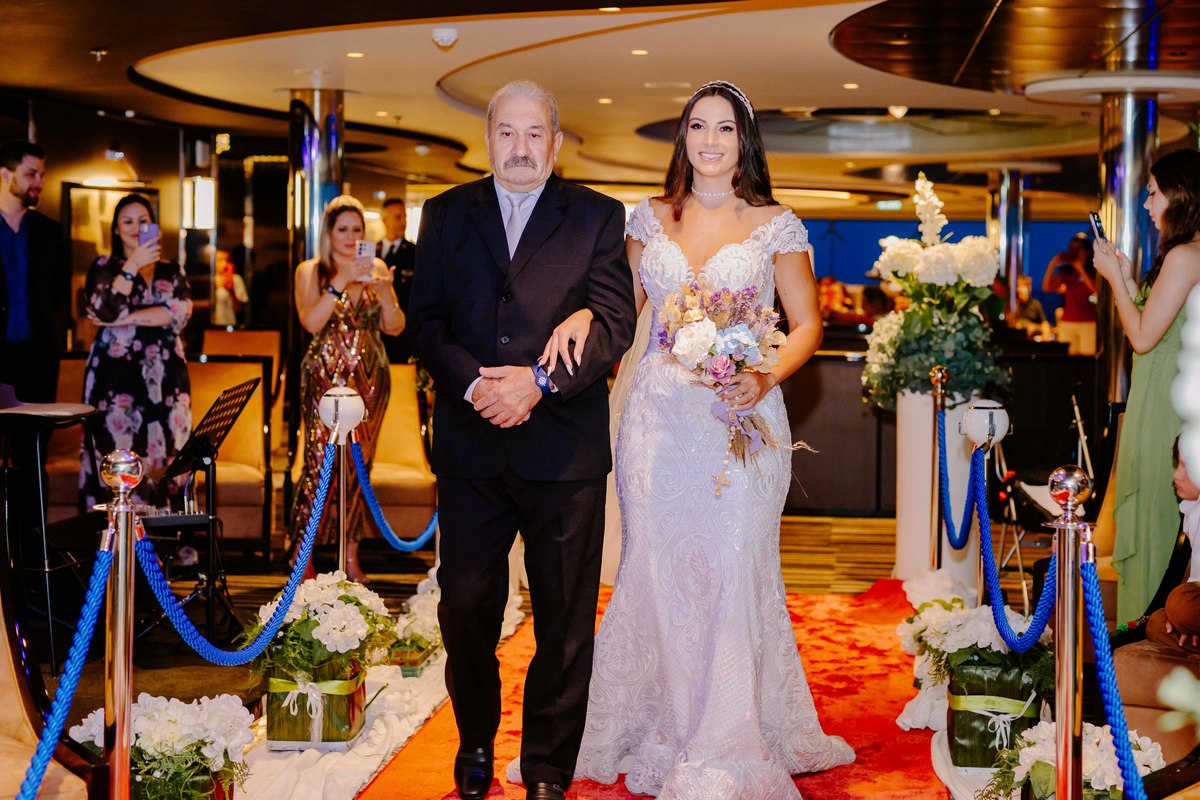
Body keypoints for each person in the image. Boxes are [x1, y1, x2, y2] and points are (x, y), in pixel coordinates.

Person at [550, 80, 854, 799]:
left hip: (739, 419)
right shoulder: (648, 219)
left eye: (724, 128)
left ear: (745, 141)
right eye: (697, 127)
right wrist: (580, 319)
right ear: (682, 138)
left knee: (731, 567)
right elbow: (618, 308)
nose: (710, 141)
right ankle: (660, 722)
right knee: (655, 568)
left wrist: (765, 375)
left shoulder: (776, 225)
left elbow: (808, 324)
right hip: (656, 422)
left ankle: (725, 740)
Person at [409, 80, 635, 800]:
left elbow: (614, 323)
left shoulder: (597, 216)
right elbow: (425, 323)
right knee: (464, 605)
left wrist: (538, 383)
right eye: (506, 132)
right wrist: (477, 385)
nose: (520, 147)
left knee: (564, 621)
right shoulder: (445, 215)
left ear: (557, 143)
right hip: (472, 446)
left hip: (563, 451)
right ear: (487, 140)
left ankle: (546, 767)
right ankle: (475, 741)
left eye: (534, 133)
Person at [1094, 148, 1200, 622]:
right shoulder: (1190, 254)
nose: (1146, 203)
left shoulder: (1184, 255)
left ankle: (1142, 638)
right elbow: (1162, 324)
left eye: (1153, 193)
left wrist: (1114, 280)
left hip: (1163, 407)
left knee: (1154, 527)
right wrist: (1129, 279)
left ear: (1180, 195)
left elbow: (1141, 338)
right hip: (1171, 397)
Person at [289, 194, 405, 584]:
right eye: (343, 229)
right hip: (324, 379)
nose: (351, 236)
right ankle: (302, 555)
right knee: (316, 464)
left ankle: (351, 555)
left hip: (371, 380)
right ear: (329, 233)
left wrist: (385, 292)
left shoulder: (376, 268)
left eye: (357, 229)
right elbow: (311, 322)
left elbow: (395, 327)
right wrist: (340, 280)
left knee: (359, 469)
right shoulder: (311, 271)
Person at [80, 194, 193, 507]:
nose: (135, 227)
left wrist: (123, 318)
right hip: (116, 379)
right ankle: (114, 536)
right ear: (116, 229)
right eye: (127, 221)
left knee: (168, 458)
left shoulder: (172, 270)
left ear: (154, 227)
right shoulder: (104, 266)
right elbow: (104, 308)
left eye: (143, 221)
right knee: (117, 456)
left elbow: (179, 312)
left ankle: (164, 537)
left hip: (166, 377)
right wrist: (131, 267)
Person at [1145, 439, 1200, 654]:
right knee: (1156, 623)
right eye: (1178, 464)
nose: (1176, 475)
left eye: (1187, 467)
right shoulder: (1193, 510)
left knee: (1180, 604)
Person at [1043, 233, 1097, 355]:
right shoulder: (1066, 272)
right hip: (1068, 322)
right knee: (1069, 358)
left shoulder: (1093, 271)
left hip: (1088, 322)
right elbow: (1047, 287)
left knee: (1087, 359)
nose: (1074, 252)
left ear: (1087, 252)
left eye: (1078, 249)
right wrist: (1052, 264)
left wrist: (1080, 269)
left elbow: (1094, 290)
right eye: (1072, 249)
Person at [377, 198, 417, 364]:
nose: (403, 222)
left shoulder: (416, 252)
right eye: (397, 217)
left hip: (405, 333)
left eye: (404, 217)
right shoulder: (372, 252)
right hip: (377, 332)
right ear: (384, 220)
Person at [211, 248, 248, 327]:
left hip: (231, 325)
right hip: (213, 327)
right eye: (220, 260)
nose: (224, 264)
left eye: (227, 260)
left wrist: (231, 291)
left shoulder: (236, 279)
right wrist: (213, 286)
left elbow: (240, 310)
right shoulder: (210, 281)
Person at [1014, 274, 1050, 339]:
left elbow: (1045, 324)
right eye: (1019, 286)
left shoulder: (1035, 304)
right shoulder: (1014, 304)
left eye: (1024, 286)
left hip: (1032, 337)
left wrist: (1034, 328)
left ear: (1029, 288)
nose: (1021, 289)